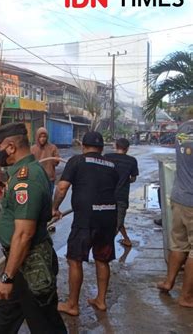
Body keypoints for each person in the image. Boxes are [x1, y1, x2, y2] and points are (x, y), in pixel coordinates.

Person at [0, 123, 66, 334]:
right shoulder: (20, 173)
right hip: (19, 263)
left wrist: (7, 277)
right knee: (3, 322)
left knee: (45, 324)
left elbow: (24, 234)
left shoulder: (26, 179)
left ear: (11, 147)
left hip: (31, 266)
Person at [52, 131, 118, 316]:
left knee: (75, 260)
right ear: (102, 148)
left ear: (83, 146)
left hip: (86, 219)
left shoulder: (77, 161)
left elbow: (62, 187)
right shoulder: (112, 165)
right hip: (108, 217)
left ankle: (72, 305)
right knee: (102, 259)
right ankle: (101, 301)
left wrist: (54, 208)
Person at [157, 120, 193, 308]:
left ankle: (168, 282)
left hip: (179, 197)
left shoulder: (184, 128)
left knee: (179, 244)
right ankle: (186, 297)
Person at [105, 138, 139, 247]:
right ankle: (106, 246)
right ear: (127, 149)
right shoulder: (132, 161)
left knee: (114, 222)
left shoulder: (107, 157)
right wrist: (124, 181)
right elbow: (133, 179)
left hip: (106, 195)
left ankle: (121, 241)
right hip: (121, 196)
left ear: (115, 146)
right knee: (118, 222)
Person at [31, 127, 60, 193]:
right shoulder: (32, 149)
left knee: (49, 198)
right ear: (37, 137)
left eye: (44, 137)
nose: (42, 139)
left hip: (49, 179)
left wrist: (56, 160)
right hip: (37, 179)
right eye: (40, 137)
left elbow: (56, 163)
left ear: (47, 137)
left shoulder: (53, 148)